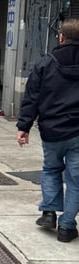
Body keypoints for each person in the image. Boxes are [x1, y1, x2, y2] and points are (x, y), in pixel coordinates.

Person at [16, 18, 79, 242]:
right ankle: (67, 227)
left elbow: (32, 97)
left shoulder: (45, 63)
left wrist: (24, 127)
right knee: (75, 180)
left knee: (51, 169)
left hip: (52, 130)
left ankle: (50, 213)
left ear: (61, 37)